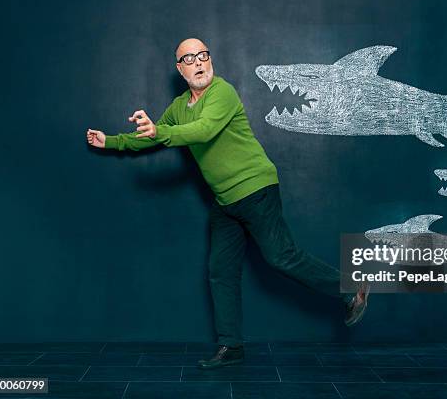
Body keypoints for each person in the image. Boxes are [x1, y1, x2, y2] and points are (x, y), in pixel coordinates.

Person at [86, 38, 370, 369]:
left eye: (203, 55)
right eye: (189, 58)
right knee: (220, 271)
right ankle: (231, 346)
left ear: (210, 61)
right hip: (225, 201)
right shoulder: (180, 106)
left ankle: (351, 288)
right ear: (180, 69)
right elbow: (154, 135)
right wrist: (112, 141)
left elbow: (203, 131)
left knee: (281, 257)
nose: (198, 62)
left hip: (256, 188)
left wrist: (161, 132)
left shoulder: (223, 92)